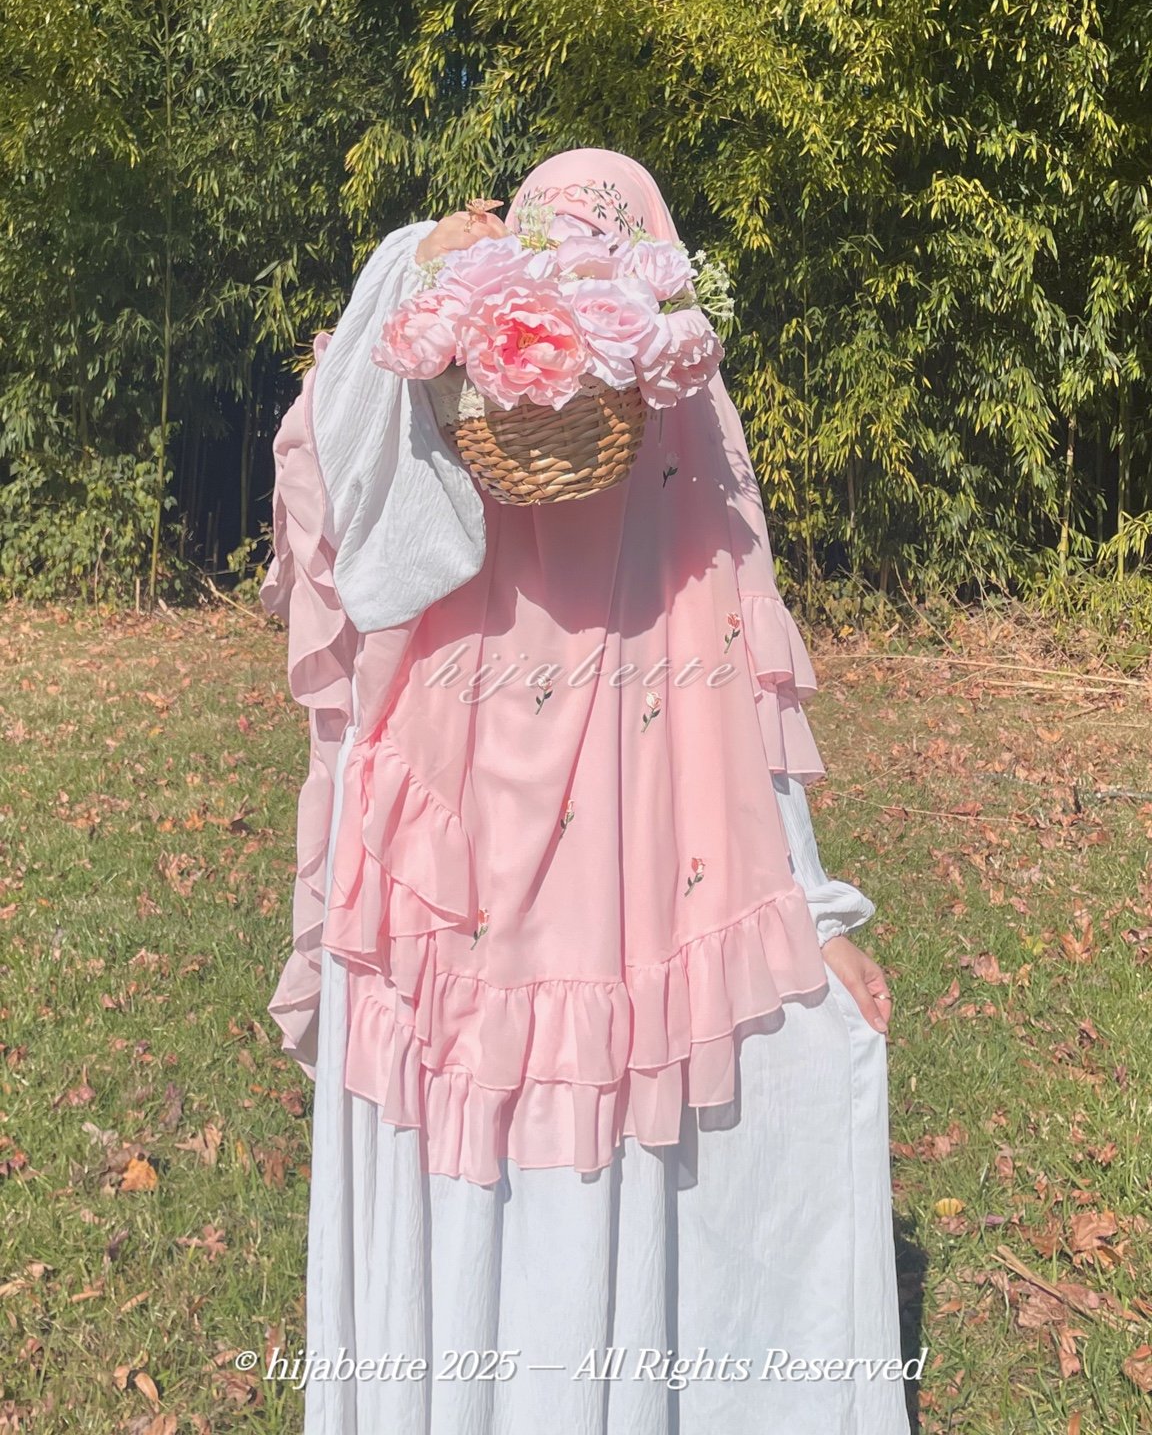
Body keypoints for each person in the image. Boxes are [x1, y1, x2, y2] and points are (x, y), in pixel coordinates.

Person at [261, 148, 913, 1434]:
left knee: (565, 1112)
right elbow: (341, 443)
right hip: (481, 889)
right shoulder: (463, 451)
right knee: (519, 1104)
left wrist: (816, 914)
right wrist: (420, 261)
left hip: (568, 895)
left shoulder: (663, 478)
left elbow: (742, 711)